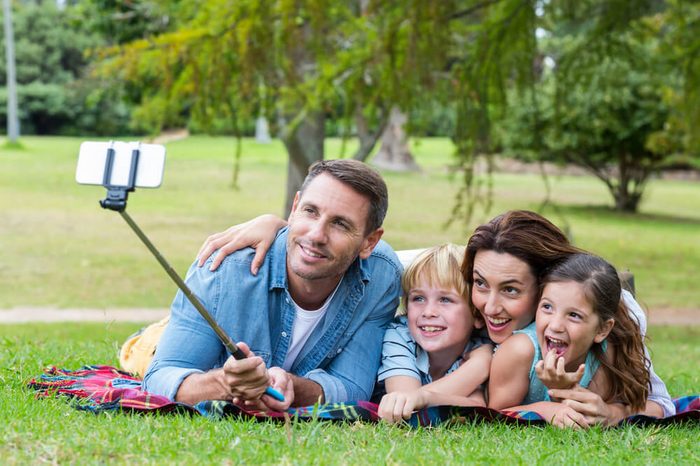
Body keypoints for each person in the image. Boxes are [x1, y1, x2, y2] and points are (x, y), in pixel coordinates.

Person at [197, 209, 675, 423]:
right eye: (480, 286)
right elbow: (366, 250)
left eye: (511, 291)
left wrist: (612, 413)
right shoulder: (449, 279)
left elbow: (659, 403)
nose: (489, 305)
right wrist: (277, 225)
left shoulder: (600, 308)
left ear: (546, 285)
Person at [143, 159, 402, 411]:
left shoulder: (381, 276)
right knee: (143, 350)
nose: (316, 235)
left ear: (370, 242)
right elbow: (159, 378)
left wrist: (294, 387)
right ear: (294, 207)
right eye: (310, 211)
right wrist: (224, 382)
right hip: (165, 341)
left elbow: (352, 386)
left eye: (340, 224)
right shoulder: (223, 270)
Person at [488, 253, 650, 428]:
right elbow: (494, 415)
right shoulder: (519, 351)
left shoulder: (604, 353)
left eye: (574, 315)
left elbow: (652, 407)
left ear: (602, 329)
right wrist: (544, 409)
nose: (556, 325)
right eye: (547, 307)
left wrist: (612, 413)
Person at [376, 244, 493, 423]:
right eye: (418, 298)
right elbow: (405, 403)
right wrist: (478, 366)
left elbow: (476, 407)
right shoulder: (400, 336)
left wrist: (424, 398)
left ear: (476, 314)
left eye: (445, 300)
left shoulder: (479, 347)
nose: (429, 312)